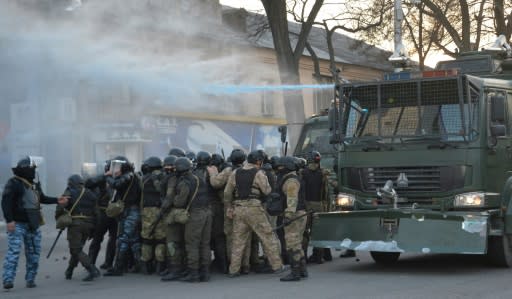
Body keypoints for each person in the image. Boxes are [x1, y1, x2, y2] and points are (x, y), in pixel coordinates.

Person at [2, 156, 64, 289]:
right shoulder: (13, 183)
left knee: (34, 253)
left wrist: (57, 200)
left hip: (33, 224)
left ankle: (30, 279)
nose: (34, 171)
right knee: (14, 252)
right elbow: (5, 203)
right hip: (17, 224)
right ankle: (8, 280)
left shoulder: (35, 184)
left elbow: (42, 198)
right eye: (32, 168)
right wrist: (9, 220)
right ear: (26, 169)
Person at [224, 150, 286, 277]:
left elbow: (227, 193)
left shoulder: (235, 172)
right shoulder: (259, 173)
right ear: (259, 161)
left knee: (238, 241)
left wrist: (230, 207)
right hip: (254, 209)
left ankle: (233, 270)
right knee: (268, 237)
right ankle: (277, 266)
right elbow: (267, 190)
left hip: (238, 209)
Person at [207, 149, 252, 274]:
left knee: (231, 236)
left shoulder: (229, 171)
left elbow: (215, 183)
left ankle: (234, 264)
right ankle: (246, 265)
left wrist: (212, 173)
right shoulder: (250, 170)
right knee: (246, 236)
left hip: (230, 207)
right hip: (247, 205)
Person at [174, 157, 212, 282]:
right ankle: (205, 273)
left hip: (195, 214)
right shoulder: (199, 177)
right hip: (207, 212)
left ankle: (193, 273)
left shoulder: (185, 181)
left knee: (192, 244)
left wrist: (173, 199)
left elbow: (180, 202)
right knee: (205, 244)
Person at [104, 156, 142, 276]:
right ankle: (140, 265)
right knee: (134, 239)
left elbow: (117, 184)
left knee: (123, 239)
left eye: (117, 166)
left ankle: (119, 267)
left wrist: (108, 176)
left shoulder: (129, 175)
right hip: (131, 210)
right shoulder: (132, 175)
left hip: (130, 210)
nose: (115, 169)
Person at [57, 174, 100, 281]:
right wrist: (94, 229)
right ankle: (69, 270)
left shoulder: (69, 192)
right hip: (89, 224)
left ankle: (91, 269)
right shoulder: (91, 194)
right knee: (77, 249)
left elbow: (60, 206)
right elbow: (97, 213)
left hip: (76, 225)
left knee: (76, 249)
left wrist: (60, 219)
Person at [275, 157, 308, 281]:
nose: (278, 169)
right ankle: (303, 269)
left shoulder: (291, 181)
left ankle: (295, 273)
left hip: (294, 215)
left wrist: (288, 215)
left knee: (292, 244)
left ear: (286, 166)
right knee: (297, 243)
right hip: (298, 214)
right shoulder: (290, 178)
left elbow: (292, 200)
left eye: (280, 167)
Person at [194, 151, 227, 274]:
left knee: (203, 240)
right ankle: (223, 265)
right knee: (219, 238)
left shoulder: (193, 173)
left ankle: (203, 267)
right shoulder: (213, 172)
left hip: (200, 208)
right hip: (216, 207)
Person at [301, 151, 332, 264]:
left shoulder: (302, 173)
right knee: (318, 231)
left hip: (305, 205)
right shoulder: (324, 173)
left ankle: (302, 256)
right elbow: (329, 192)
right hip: (319, 205)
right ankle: (318, 256)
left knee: (304, 231)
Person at [86, 160, 118, 270]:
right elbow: (89, 183)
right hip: (103, 213)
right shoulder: (103, 179)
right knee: (97, 238)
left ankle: (108, 262)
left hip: (114, 213)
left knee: (113, 239)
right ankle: (90, 264)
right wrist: (104, 176)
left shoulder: (121, 178)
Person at [160, 155, 187, 282]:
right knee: (180, 242)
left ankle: (175, 270)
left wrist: (162, 211)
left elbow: (169, 197)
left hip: (173, 214)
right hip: (183, 215)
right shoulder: (186, 178)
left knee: (172, 243)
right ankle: (180, 268)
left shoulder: (172, 179)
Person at [139, 156, 167, 275]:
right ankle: (159, 267)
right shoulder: (163, 176)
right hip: (160, 209)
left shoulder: (144, 178)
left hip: (147, 210)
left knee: (147, 239)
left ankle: (146, 267)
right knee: (160, 239)